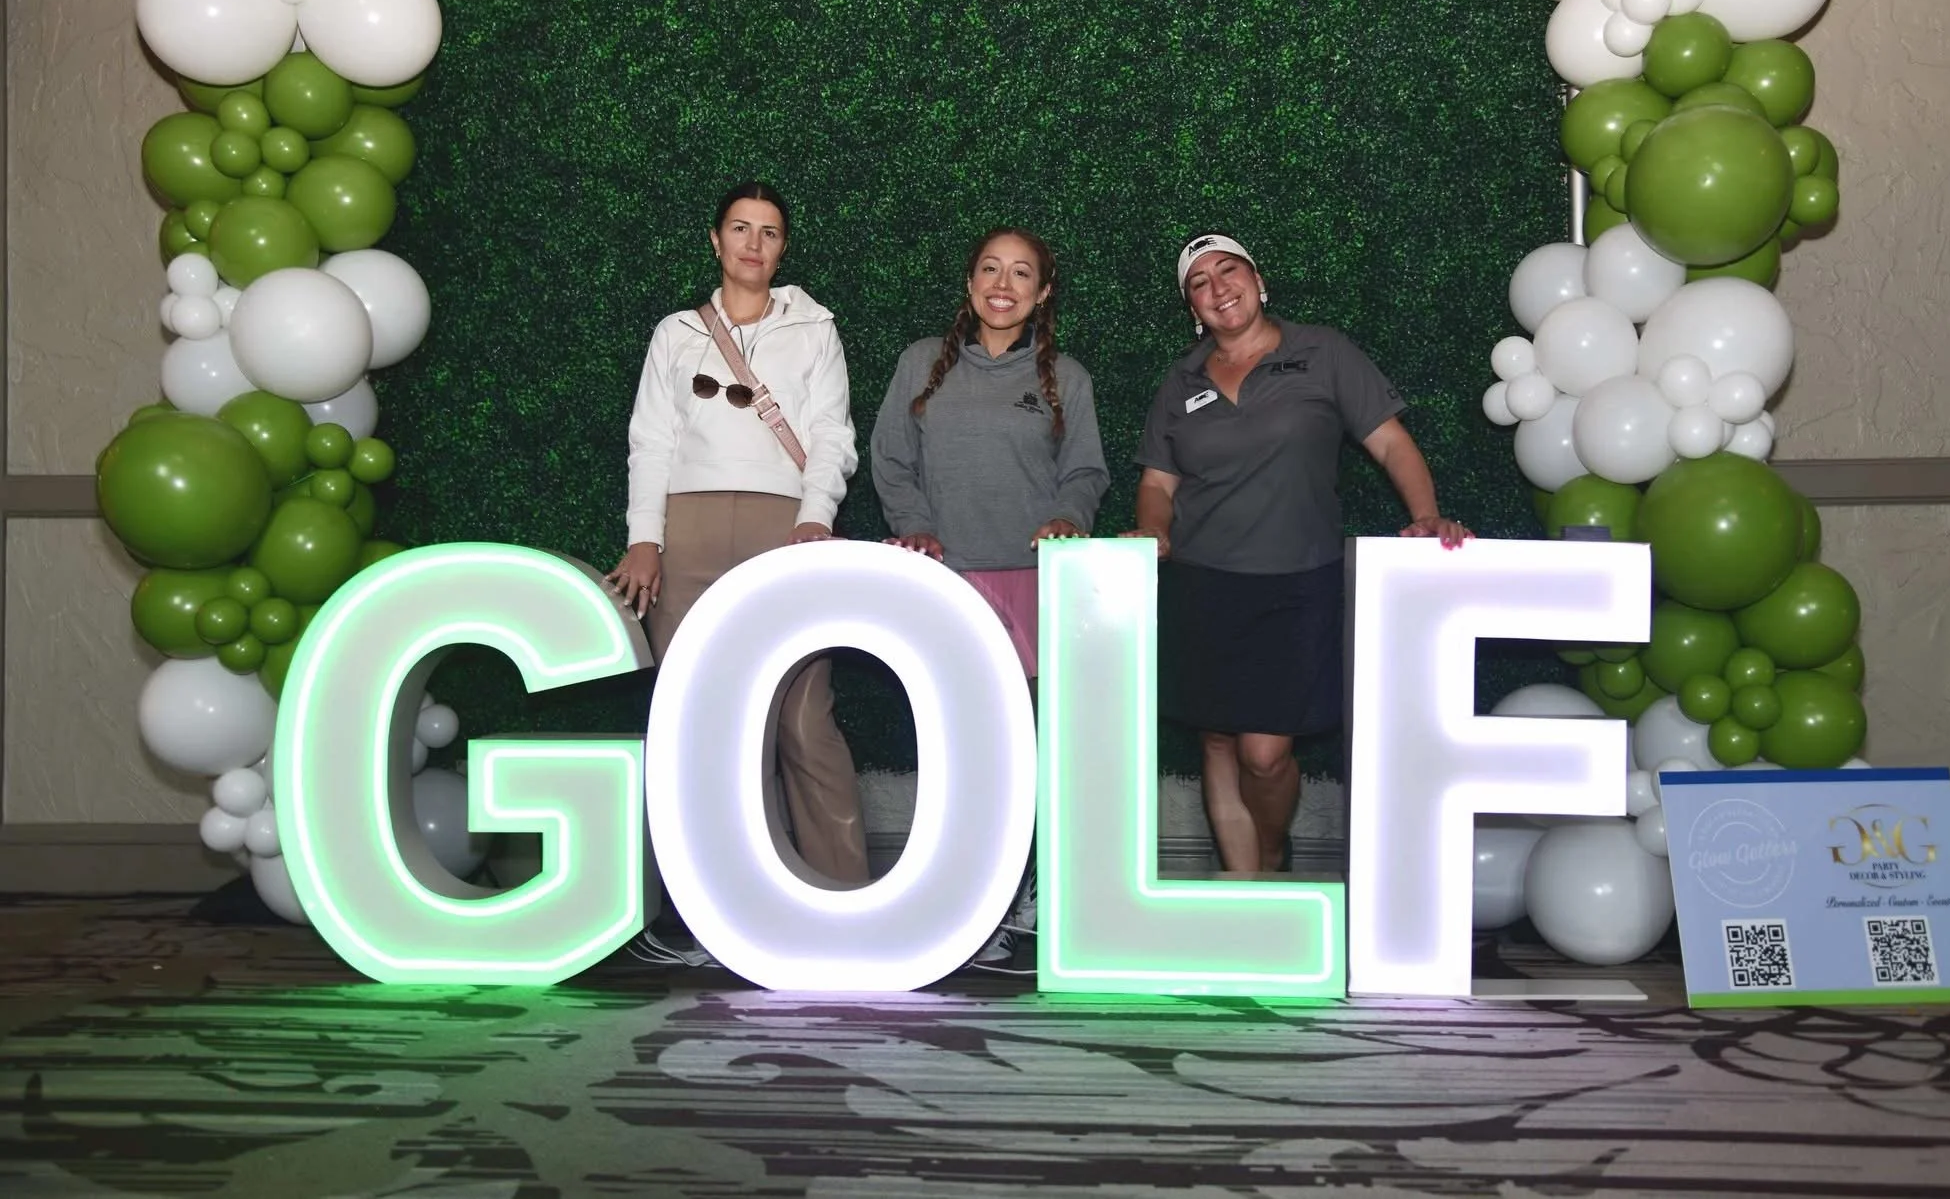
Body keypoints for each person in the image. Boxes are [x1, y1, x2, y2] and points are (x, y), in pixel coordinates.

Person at [1126, 233, 1470, 874]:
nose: (1217, 287)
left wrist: (1425, 517)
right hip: (1202, 582)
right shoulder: (1182, 379)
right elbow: (1157, 482)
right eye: (1199, 283)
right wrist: (1155, 531)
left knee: (1265, 753)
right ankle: (1242, 884)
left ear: (1259, 281)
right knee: (1219, 739)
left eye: (1228, 271)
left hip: (1297, 581)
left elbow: (1392, 443)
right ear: (1191, 307)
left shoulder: (1323, 352)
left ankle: (1272, 851)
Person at [607, 180, 869, 894]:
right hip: (685, 532)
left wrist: (816, 513)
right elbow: (650, 441)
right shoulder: (675, 331)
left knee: (803, 716)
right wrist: (644, 539)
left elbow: (831, 434)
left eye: (770, 231)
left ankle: (842, 895)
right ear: (715, 240)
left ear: (783, 247)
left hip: (783, 529)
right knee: (697, 719)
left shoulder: (815, 327)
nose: (754, 243)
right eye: (741, 228)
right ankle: (703, 903)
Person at [870, 226, 1110, 965]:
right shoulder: (920, 364)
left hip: (1034, 586)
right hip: (946, 588)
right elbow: (889, 461)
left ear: (1042, 293)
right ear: (970, 282)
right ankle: (966, 900)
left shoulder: (1064, 376)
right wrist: (914, 526)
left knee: (1030, 754)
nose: (1002, 284)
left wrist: (1070, 518)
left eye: (1021, 274)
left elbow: (1086, 472)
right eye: (989, 269)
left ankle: (1032, 894)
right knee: (962, 751)